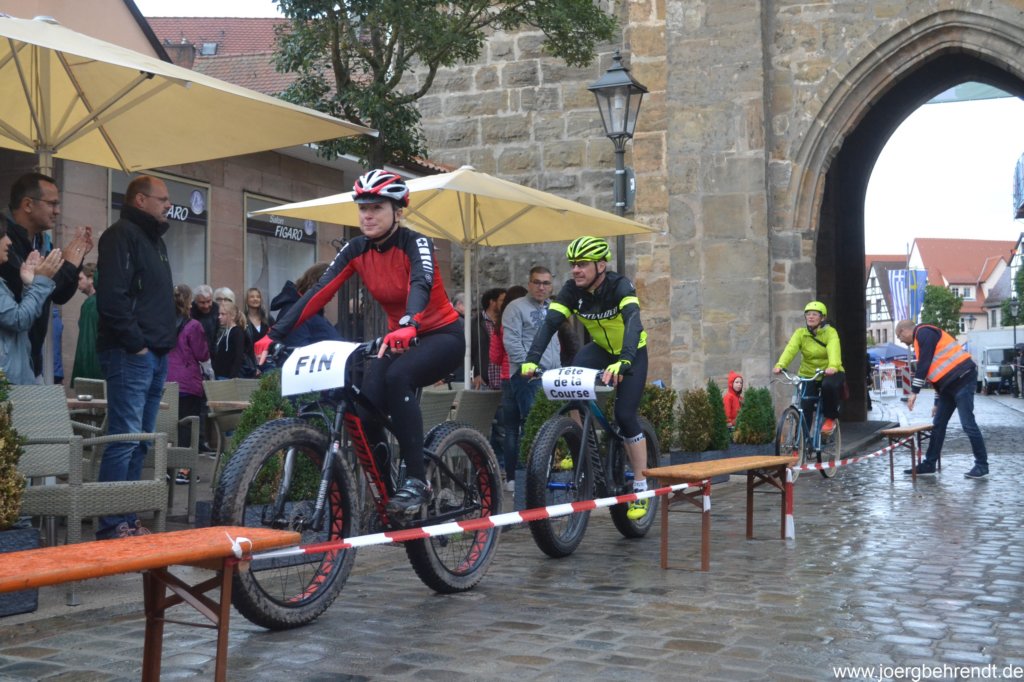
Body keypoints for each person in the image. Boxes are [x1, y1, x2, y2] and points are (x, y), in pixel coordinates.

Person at [256, 169, 464, 519]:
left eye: (376, 207)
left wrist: (409, 323)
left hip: (441, 335)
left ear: (398, 211)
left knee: (398, 377)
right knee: (364, 410)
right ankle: (389, 494)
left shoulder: (417, 244)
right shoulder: (355, 249)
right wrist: (273, 335)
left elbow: (421, 283)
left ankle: (417, 481)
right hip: (397, 340)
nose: (367, 215)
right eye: (362, 208)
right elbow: (319, 291)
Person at [520, 237, 651, 520]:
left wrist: (625, 361)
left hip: (631, 352)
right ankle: (579, 444)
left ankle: (641, 486)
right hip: (600, 350)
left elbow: (633, 323)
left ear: (601, 266)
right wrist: (532, 359)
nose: (575, 270)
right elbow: (550, 324)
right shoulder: (571, 291)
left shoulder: (620, 286)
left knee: (625, 415)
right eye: (573, 265)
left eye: (582, 264)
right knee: (571, 388)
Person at [95, 175, 175, 539]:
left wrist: (156, 346)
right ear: (140, 200)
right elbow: (112, 298)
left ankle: (126, 519)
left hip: (153, 353)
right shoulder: (121, 235)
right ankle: (111, 524)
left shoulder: (154, 239)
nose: (168, 204)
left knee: (139, 442)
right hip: (132, 354)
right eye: (163, 199)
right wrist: (137, 345)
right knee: (124, 438)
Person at [0, 172, 93, 381]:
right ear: (27, 204)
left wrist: (75, 261)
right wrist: (68, 264)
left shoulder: (42, 241)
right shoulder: (6, 243)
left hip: (32, 357)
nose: (57, 211)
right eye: (52, 204)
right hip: (8, 365)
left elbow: (57, 294)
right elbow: (19, 315)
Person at [895, 319, 989, 479]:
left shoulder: (924, 332)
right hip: (950, 384)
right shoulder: (922, 337)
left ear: (903, 331)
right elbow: (937, 373)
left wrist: (914, 391)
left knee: (968, 424)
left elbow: (924, 365)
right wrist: (937, 402)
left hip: (962, 378)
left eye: (899, 337)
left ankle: (982, 465)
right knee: (938, 424)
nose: (901, 341)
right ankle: (929, 463)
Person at [501, 267, 561, 493]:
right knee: (531, 426)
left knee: (545, 426)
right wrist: (529, 368)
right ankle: (525, 478)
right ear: (529, 284)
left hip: (551, 376)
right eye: (537, 282)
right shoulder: (516, 307)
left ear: (551, 286)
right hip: (528, 376)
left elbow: (555, 342)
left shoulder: (553, 308)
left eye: (546, 283)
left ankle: (539, 475)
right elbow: (512, 341)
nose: (541, 287)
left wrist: (559, 368)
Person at [0, 223, 63, 385]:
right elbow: (18, 319)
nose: (8, 242)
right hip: (7, 384)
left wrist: (30, 285)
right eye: (2, 236)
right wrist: (40, 282)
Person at [773, 300, 845, 436]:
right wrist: (781, 364)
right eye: (808, 314)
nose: (810, 317)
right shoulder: (800, 333)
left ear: (822, 318)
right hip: (808, 374)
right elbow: (790, 349)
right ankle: (801, 440)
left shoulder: (830, 332)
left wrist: (833, 366)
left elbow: (834, 349)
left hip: (829, 372)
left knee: (828, 386)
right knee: (805, 405)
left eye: (815, 314)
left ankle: (830, 419)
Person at [167, 284, 210, 484]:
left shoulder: (164, 323)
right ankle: (183, 471)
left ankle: (167, 468)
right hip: (188, 384)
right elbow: (202, 354)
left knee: (169, 427)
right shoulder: (193, 326)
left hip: (166, 382)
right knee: (188, 427)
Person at [268, 263, 342, 348]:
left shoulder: (310, 310)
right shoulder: (294, 311)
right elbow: (299, 349)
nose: (333, 295)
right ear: (319, 285)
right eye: (332, 288)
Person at [70, 262, 102, 382]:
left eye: (80, 278)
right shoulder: (96, 302)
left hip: (91, 367)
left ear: (91, 279)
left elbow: (88, 341)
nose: (78, 282)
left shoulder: (91, 304)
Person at [472, 287, 505, 390]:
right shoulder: (474, 323)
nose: (506, 303)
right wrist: (474, 374)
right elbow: (466, 351)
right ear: (492, 302)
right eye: (502, 300)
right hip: (483, 382)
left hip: (504, 380)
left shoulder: (507, 321)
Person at [212, 300, 246, 379]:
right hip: (220, 374)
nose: (219, 317)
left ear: (232, 316)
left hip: (228, 376)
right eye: (219, 314)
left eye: (223, 314)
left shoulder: (237, 332)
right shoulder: (224, 332)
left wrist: (233, 376)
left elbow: (239, 355)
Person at [190, 284, 220, 359]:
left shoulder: (217, 309)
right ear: (195, 301)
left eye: (208, 301)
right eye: (202, 303)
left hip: (213, 354)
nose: (206, 306)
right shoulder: (190, 312)